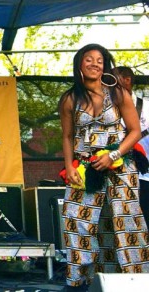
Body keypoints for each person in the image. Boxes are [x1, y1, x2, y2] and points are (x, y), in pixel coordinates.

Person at [59, 44, 149, 290]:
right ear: (80, 64)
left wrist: (115, 154)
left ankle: (135, 281)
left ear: (105, 65)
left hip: (120, 166)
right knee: (76, 220)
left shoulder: (117, 92)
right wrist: (69, 166)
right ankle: (78, 282)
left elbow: (135, 131)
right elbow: (67, 137)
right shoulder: (69, 98)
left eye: (99, 60)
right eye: (89, 59)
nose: (95, 64)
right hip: (86, 168)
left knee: (126, 221)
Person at [114, 66, 149, 224]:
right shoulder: (107, 110)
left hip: (145, 177)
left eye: (113, 80)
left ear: (127, 81)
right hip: (117, 176)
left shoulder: (147, 108)